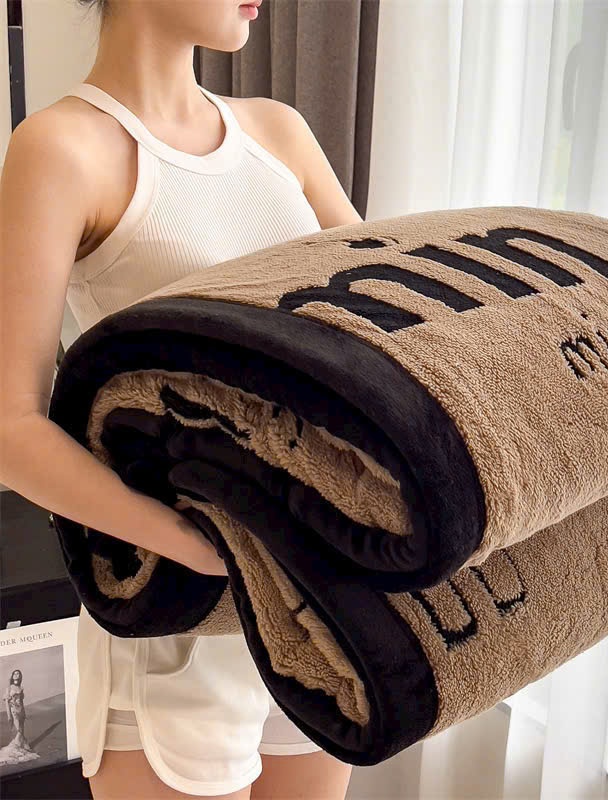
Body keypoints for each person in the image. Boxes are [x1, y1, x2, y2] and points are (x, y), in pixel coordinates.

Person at [0, 0, 363, 797]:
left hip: (319, 604)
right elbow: (10, 427)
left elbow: (385, 338)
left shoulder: (279, 133)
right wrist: (196, 548)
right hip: (181, 620)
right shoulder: (61, 147)